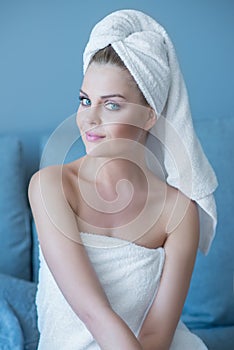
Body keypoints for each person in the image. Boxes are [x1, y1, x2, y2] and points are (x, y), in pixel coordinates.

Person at [28, 9, 218, 350]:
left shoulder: (179, 214)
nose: (89, 118)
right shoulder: (50, 186)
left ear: (149, 117)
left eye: (111, 105)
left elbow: (157, 335)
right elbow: (93, 313)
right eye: (85, 100)